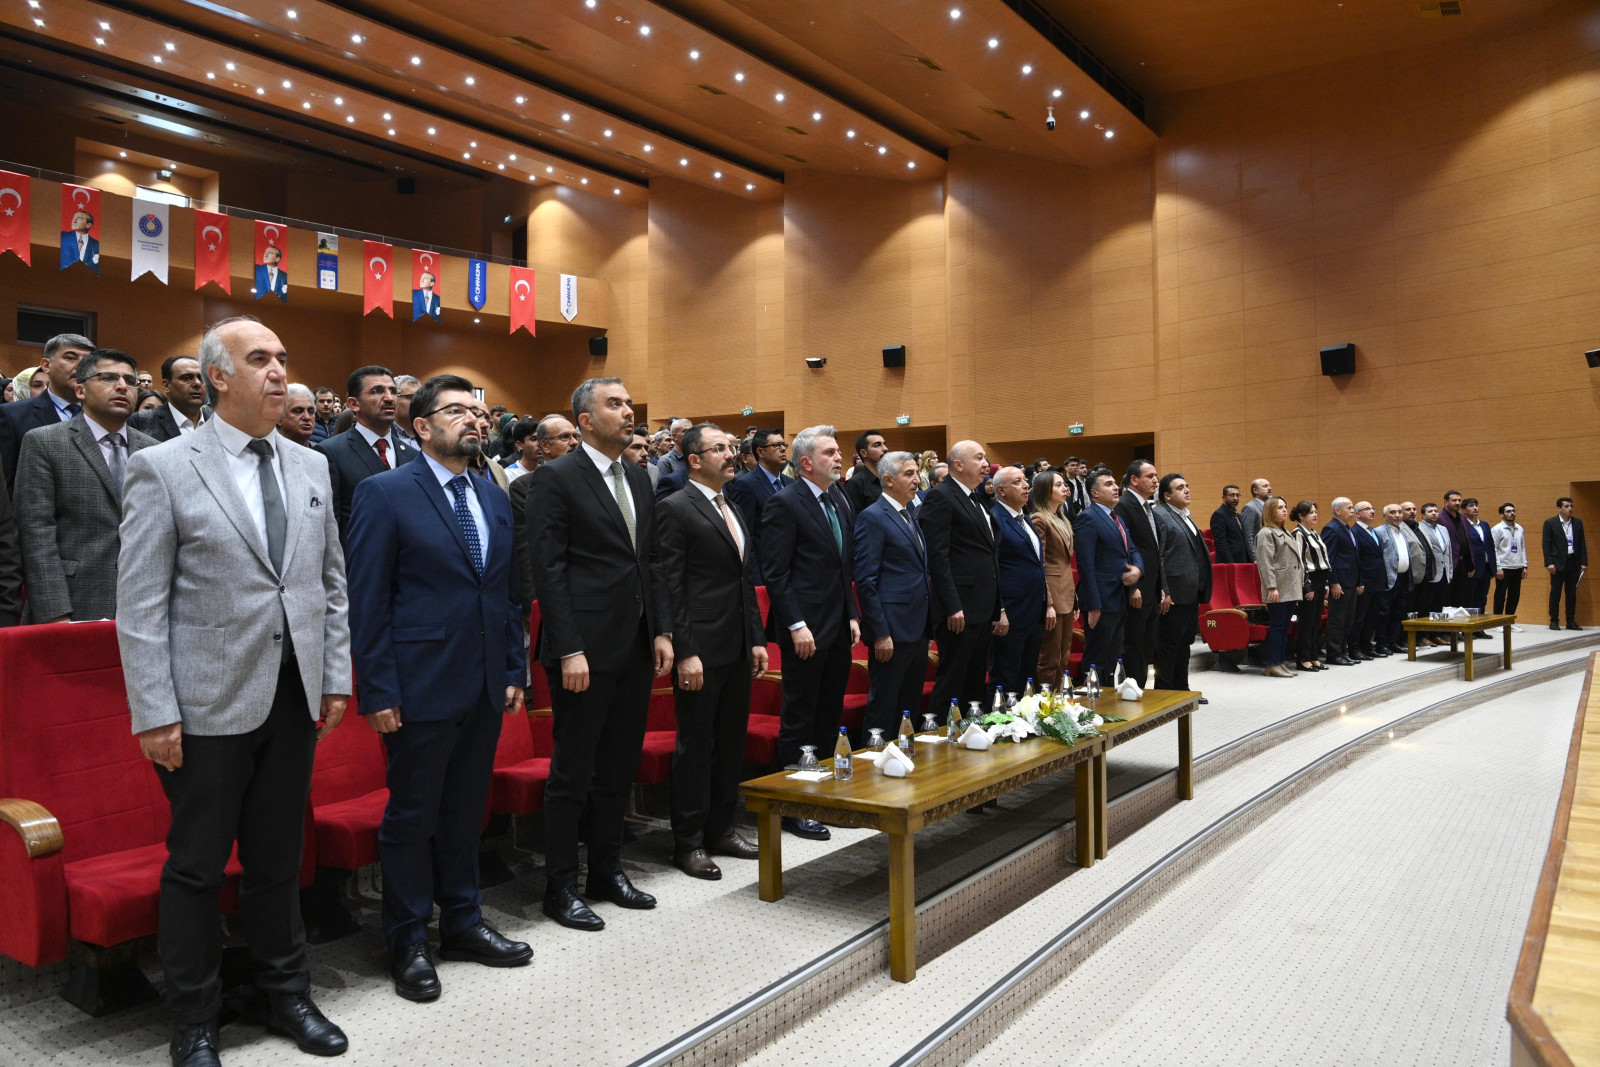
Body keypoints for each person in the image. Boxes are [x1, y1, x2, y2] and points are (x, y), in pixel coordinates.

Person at [117, 315, 351, 1065]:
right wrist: (155, 709)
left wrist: (335, 676)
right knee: (197, 866)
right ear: (218, 376)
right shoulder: (163, 466)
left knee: (279, 859)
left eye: (282, 357)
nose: (279, 370)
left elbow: (329, 584)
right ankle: (194, 1018)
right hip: (206, 701)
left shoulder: (310, 465)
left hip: (293, 695)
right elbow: (141, 604)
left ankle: (287, 994)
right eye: (259, 359)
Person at [346, 373, 531, 1003]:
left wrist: (512, 670)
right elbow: (368, 600)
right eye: (456, 411)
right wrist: (377, 690)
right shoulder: (385, 492)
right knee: (413, 816)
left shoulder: (493, 496)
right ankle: (407, 940)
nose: (474, 420)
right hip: (417, 683)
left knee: (464, 813)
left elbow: (506, 595)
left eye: (478, 412)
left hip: (483, 681)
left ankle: (463, 923)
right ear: (421, 427)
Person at [528, 377, 672, 932]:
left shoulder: (636, 476)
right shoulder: (557, 477)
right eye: (615, 404)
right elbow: (549, 569)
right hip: (582, 649)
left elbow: (650, 561)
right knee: (573, 772)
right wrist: (569, 648)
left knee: (618, 766)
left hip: (634, 642)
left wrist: (661, 631)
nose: (628, 411)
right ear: (585, 420)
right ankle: (560, 886)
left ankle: (607, 871)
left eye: (629, 403)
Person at [656, 426, 766, 880]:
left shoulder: (732, 506)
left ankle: (722, 828)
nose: (730, 454)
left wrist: (756, 638)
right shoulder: (675, 507)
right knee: (696, 747)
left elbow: (744, 581)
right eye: (719, 448)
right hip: (699, 646)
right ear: (694, 460)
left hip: (736, 643)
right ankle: (688, 841)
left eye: (731, 447)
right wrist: (685, 650)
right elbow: (670, 584)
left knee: (731, 742)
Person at [758, 425, 859, 840]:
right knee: (800, 714)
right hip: (805, 628)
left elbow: (843, 567)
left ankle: (823, 795)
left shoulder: (839, 498)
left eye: (838, 451)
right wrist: (796, 624)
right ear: (805, 462)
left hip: (837, 625)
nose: (838, 457)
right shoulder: (784, 503)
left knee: (829, 711)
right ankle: (795, 803)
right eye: (829, 452)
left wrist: (852, 614)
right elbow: (777, 573)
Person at [15, 349, 156, 623]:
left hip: (145, 605)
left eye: (130, 381)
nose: (122, 386)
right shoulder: (45, 442)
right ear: (80, 390)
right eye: (108, 377)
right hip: (74, 600)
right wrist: (55, 613)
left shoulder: (155, 450)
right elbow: (36, 534)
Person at [853, 450, 933, 740]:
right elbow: (866, 579)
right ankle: (875, 759)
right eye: (908, 474)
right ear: (887, 480)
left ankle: (904, 755)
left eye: (917, 473)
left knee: (908, 703)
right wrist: (880, 632)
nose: (917, 480)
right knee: (884, 705)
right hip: (892, 628)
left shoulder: (909, 514)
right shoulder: (873, 517)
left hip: (916, 625)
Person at [922, 440, 1004, 714]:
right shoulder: (941, 496)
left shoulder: (974, 497)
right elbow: (938, 557)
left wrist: (998, 604)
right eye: (979, 458)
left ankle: (972, 730)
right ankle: (941, 733)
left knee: (975, 679)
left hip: (982, 604)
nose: (986, 464)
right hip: (959, 607)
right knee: (953, 679)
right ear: (958, 464)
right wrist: (952, 605)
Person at [317, 365, 418, 541]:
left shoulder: (412, 455)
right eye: (377, 391)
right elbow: (330, 525)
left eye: (393, 391)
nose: (389, 398)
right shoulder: (331, 452)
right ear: (354, 404)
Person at [0, 332, 92, 493]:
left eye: (88, 361)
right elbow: (7, 483)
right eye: (71, 358)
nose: (81, 366)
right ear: (46, 365)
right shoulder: (12, 415)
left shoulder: (104, 415)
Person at [1073, 469, 1141, 685]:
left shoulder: (1116, 517)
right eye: (1109, 484)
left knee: (1112, 655)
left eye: (1115, 483)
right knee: (1097, 657)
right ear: (1094, 493)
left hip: (1118, 596)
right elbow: (1085, 564)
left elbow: (1132, 550)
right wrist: (1093, 604)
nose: (1116, 487)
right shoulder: (1088, 518)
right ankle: (1091, 699)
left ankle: (1107, 698)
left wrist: (1137, 569)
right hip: (1101, 600)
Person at [989, 464, 1047, 695]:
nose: (1025, 486)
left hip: (1032, 609)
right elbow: (992, 569)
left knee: (1027, 674)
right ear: (1001, 491)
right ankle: (1000, 716)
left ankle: (1024, 715)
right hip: (1011, 611)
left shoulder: (1024, 517)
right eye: (1017, 482)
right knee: (1005, 674)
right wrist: (1000, 609)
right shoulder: (995, 519)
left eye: (1025, 480)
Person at [1152, 473, 1211, 693]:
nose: (1187, 490)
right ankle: (1165, 693)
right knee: (1168, 645)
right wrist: (1164, 590)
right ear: (1167, 495)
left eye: (1187, 486)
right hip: (1173, 594)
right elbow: (1159, 557)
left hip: (1190, 592)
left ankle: (1182, 690)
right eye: (1180, 488)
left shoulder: (1185, 515)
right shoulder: (1160, 515)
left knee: (1184, 644)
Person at [1115, 460, 1165, 688]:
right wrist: (1133, 587)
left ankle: (1140, 689)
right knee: (1134, 643)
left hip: (1151, 586)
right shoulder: (1124, 505)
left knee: (1147, 643)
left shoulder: (1148, 507)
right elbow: (1124, 548)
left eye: (1156, 476)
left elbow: (1154, 551)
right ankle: (1133, 689)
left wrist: (1161, 586)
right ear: (1134, 480)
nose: (1155, 480)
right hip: (1136, 587)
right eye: (1149, 476)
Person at [1027, 471, 1077, 690]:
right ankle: (1046, 701)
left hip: (1066, 592)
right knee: (1050, 656)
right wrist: (1047, 601)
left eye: (1064, 484)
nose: (1065, 488)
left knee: (1063, 655)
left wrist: (1075, 599)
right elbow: (1040, 564)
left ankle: (1059, 698)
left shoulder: (1062, 519)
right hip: (1051, 595)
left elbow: (1066, 564)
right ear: (1045, 490)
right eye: (1058, 485)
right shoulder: (1039, 519)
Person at [724, 428, 791, 583]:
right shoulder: (746, 485)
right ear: (760, 452)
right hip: (765, 572)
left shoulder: (790, 483)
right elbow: (746, 535)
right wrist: (756, 580)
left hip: (791, 569)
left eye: (784, 445)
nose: (783, 449)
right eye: (776, 445)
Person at [1254, 497, 1303, 679]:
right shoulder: (1266, 533)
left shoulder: (1285, 531)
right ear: (1270, 511)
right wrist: (1271, 587)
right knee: (1277, 626)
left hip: (1289, 586)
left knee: (1284, 627)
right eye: (1279, 507)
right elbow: (1265, 563)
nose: (1284, 510)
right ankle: (1272, 663)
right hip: (1278, 587)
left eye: (1285, 507)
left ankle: (1279, 662)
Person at [127, 355, 209, 443]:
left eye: (202, 378)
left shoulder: (216, 421)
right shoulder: (140, 421)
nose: (197, 383)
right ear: (166, 385)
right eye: (187, 378)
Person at [1320, 497, 1362, 665]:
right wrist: (1334, 582)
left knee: (1348, 620)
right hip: (1340, 582)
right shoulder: (1331, 528)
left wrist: (1358, 581)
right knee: (1337, 619)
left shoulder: (1347, 528)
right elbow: (1329, 559)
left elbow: (1354, 557)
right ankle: (1334, 654)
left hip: (1351, 581)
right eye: (1349, 508)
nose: (1352, 510)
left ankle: (1343, 652)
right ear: (1338, 511)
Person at [1290, 501, 1329, 671]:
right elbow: (1299, 562)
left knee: (1315, 621)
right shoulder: (1298, 533)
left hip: (1320, 579)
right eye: (1310, 512)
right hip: (1309, 581)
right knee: (1307, 621)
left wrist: (1326, 584)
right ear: (1301, 515)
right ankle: (1303, 658)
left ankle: (1313, 656)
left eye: (1315, 512)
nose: (1315, 515)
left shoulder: (1314, 533)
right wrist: (1306, 586)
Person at [1368, 505, 1412, 655]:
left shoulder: (1402, 531)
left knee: (1398, 612)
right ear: (1385, 515)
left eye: (1399, 512)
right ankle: (1382, 644)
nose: (1397, 515)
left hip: (1402, 577)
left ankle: (1394, 642)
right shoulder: (1379, 531)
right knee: (1383, 613)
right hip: (1387, 578)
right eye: (1393, 512)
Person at [1543, 497, 1587, 631]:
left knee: (1571, 593)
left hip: (1573, 562)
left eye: (1571, 506)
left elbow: (1582, 543)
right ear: (1559, 509)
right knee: (1555, 592)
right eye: (1566, 506)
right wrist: (1549, 563)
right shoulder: (1550, 523)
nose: (1570, 508)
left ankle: (1570, 621)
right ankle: (1554, 620)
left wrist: (1584, 562)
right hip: (1557, 563)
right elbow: (1546, 544)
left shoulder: (1577, 523)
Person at [1351, 502, 1388, 658]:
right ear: (1358, 514)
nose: (1372, 511)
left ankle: (1366, 646)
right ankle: (1354, 648)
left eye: (1373, 508)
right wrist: (1359, 581)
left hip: (1377, 582)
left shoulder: (1372, 531)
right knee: (1360, 617)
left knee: (1372, 617)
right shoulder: (1355, 532)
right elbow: (1356, 559)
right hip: (1365, 582)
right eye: (1367, 509)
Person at [1416, 503, 1454, 643]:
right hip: (1430, 573)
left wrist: (1450, 571)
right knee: (1425, 606)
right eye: (1430, 511)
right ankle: (1423, 635)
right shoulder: (1419, 528)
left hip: (1443, 572)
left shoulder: (1443, 529)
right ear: (1423, 515)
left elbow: (1448, 552)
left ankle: (1436, 634)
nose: (1433, 513)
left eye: (1435, 511)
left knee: (1439, 605)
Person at [1462, 498, 1495, 631]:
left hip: (1486, 567)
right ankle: (1469, 629)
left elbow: (1491, 546)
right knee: (1469, 599)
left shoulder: (1485, 525)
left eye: (1476, 505)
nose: (1475, 508)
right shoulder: (1463, 525)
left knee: (1482, 599)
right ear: (1464, 510)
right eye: (1471, 506)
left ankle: (1479, 628)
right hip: (1472, 568)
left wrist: (1493, 567)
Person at [1437, 491, 1474, 607]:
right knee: (1447, 596)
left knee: (1460, 596)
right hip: (1449, 563)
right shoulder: (1439, 517)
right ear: (1446, 502)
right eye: (1454, 500)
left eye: (1459, 500)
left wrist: (1470, 564)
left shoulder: (1462, 517)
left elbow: (1467, 541)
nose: (1457, 503)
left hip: (1462, 563)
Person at [1492, 503, 1526, 628]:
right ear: (1502, 514)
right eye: (1508, 511)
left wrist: (1524, 565)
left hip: (1517, 567)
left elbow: (1522, 548)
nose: (1512, 513)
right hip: (1504, 568)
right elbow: (1493, 549)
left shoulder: (1519, 528)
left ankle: (1508, 622)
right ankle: (1497, 622)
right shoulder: (1497, 529)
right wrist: (1498, 567)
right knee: (1500, 595)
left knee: (1514, 596)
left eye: (1513, 511)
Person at [842, 430, 887, 515]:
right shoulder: (855, 484)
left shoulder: (889, 479)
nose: (885, 449)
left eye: (884, 444)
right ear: (863, 453)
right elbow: (854, 518)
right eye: (877, 445)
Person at [1209, 485, 1249, 563]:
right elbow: (1221, 544)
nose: (1235, 498)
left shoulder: (1237, 514)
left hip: (1241, 560)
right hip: (1229, 562)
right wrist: (1231, 564)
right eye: (1231, 495)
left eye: (1237, 495)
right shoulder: (1219, 515)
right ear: (1223, 498)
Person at [1239, 478, 1271, 562]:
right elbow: (1248, 535)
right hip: (1258, 555)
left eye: (1269, 486)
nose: (1269, 488)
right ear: (1255, 490)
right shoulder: (1249, 508)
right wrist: (1254, 558)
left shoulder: (1269, 507)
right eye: (1265, 486)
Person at [392, 375, 421, 448]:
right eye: (411, 397)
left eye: (421, 397)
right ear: (394, 399)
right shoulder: (383, 434)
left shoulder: (431, 432)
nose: (418, 402)